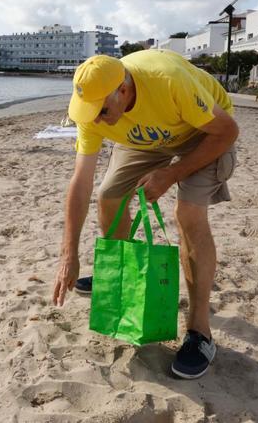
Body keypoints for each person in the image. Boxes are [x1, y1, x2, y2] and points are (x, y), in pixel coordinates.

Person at [51, 50, 239, 379]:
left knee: (188, 215)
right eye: (88, 111)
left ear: (123, 91)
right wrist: (70, 253)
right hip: (145, 137)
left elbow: (227, 131)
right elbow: (80, 182)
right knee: (108, 195)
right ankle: (119, 274)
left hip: (202, 133)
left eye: (101, 111)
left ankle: (200, 334)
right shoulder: (94, 112)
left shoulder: (169, 82)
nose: (94, 119)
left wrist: (172, 174)